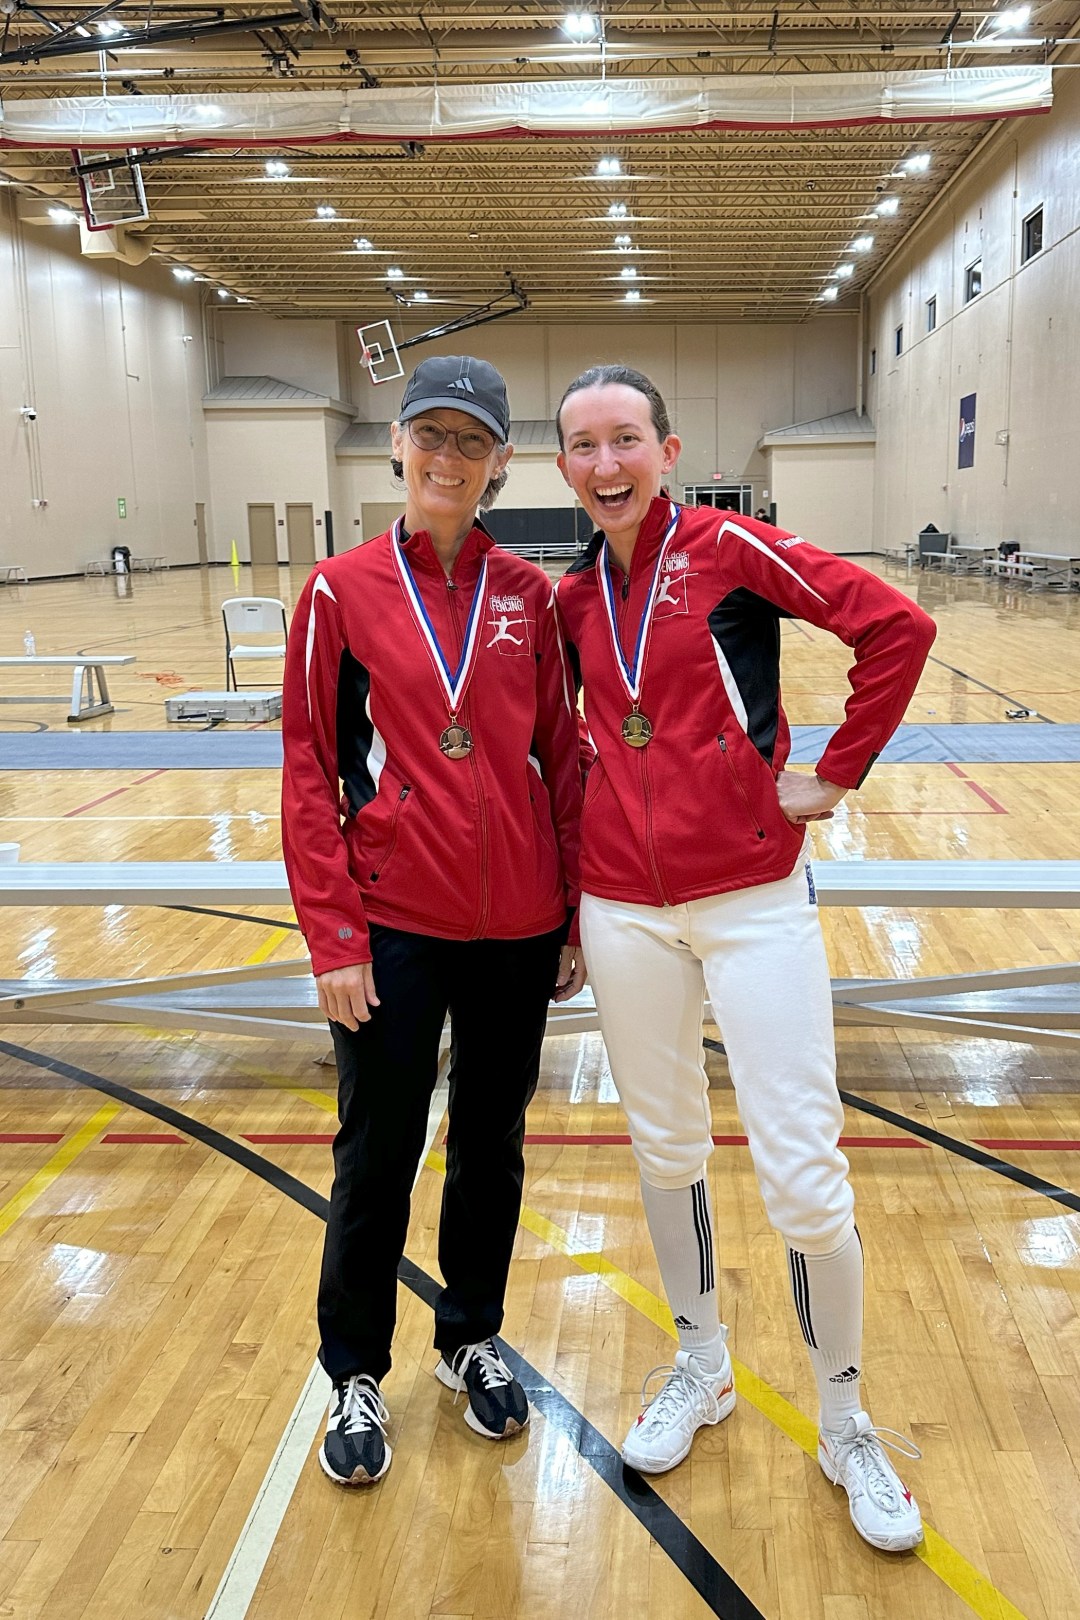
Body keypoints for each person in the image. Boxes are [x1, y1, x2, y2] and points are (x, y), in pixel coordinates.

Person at [553, 364, 936, 1553]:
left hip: (755, 897)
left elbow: (895, 625)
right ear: (564, 467)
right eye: (582, 446)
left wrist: (835, 770)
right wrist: (572, 910)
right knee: (665, 1145)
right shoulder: (571, 603)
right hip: (623, 909)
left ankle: (844, 1415)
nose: (605, 464)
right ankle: (703, 1364)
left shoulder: (727, 548)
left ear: (665, 449)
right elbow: (575, 759)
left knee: (802, 1169)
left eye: (625, 440)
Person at [281, 354, 585, 1488]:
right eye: (430, 436)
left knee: (491, 1146)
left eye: (472, 441)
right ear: (398, 447)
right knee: (377, 1153)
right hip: (393, 922)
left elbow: (564, 760)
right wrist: (334, 938)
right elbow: (309, 770)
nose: (447, 458)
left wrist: (569, 917)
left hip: (514, 924)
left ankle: (470, 1337)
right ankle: (355, 1367)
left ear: (501, 462)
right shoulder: (338, 591)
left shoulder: (532, 599)